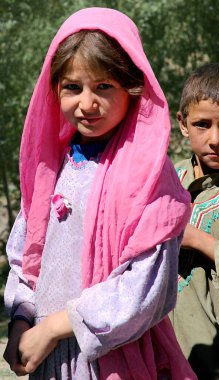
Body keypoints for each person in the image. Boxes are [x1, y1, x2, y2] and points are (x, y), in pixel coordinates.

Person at [3, 7, 196, 380]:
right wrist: (22, 321)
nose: (87, 103)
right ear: (55, 89)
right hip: (49, 359)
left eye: (104, 87)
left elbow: (146, 288)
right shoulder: (50, 169)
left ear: (133, 89)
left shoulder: (149, 177)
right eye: (73, 87)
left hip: (114, 359)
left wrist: (57, 326)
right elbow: (26, 255)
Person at [169, 63, 219, 380]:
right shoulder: (169, 178)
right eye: (202, 124)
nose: (215, 139)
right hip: (163, 348)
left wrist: (196, 239)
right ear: (183, 124)